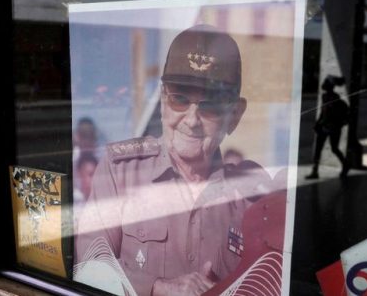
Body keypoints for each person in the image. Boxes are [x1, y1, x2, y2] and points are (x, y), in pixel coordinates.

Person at [75, 24, 272, 296]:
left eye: (210, 105)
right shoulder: (120, 171)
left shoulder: (253, 195)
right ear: (164, 102)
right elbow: (88, 268)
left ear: (235, 115)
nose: (191, 120)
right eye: (179, 99)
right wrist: (156, 288)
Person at [306, 75, 350, 179]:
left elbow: (329, 113)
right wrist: (318, 123)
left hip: (332, 127)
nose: (323, 85)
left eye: (326, 83)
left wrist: (320, 123)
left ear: (330, 86)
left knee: (333, 148)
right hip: (326, 127)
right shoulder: (325, 96)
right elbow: (323, 112)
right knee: (320, 149)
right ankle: (315, 171)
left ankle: (345, 165)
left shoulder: (334, 98)